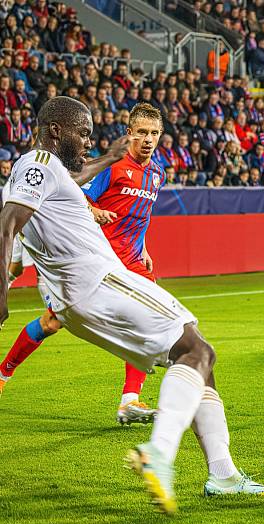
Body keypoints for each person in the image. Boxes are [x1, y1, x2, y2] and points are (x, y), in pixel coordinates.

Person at [0, 97, 264, 516]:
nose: (89, 142)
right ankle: (159, 453)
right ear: (55, 130)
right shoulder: (37, 162)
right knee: (198, 350)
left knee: (198, 360)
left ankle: (222, 474)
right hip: (98, 281)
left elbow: (68, 180)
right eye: (83, 133)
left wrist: (107, 158)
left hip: (80, 295)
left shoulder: (45, 170)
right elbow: (7, 223)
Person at [0, 103, 167, 426]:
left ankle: (129, 400)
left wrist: (144, 246)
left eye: (155, 133)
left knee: (147, 321)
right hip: (98, 260)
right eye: (142, 132)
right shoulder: (110, 167)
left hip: (133, 260)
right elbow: (72, 192)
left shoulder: (157, 173)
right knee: (52, 323)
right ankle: (4, 372)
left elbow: (140, 214)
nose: (148, 139)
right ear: (129, 133)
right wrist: (94, 211)